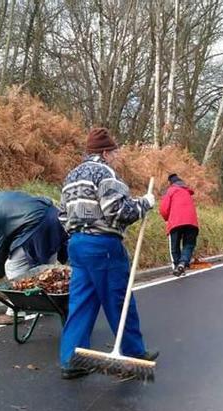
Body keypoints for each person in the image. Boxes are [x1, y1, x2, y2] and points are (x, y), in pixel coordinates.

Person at [57, 127, 159, 379]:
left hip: (77, 244)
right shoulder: (105, 173)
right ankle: (134, 354)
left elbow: (61, 214)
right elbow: (117, 210)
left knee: (81, 302)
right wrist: (145, 202)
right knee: (119, 299)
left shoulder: (72, 176)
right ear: (105, 152)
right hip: (103, 246)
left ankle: (72, 359)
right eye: (114, 152)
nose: (116, 156)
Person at [0, 190, 68, 322]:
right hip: (53, 217)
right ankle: (51, 305)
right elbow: (10, 235)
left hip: (36, 226)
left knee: (13, 268)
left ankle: (15, 312)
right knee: (45, 269)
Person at [160, 173, 200, 277]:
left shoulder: (171, 190)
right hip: (191, 223)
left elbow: (164, 209)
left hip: (176, 221)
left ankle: (177, 267)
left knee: (174, 246)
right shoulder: (187, 192)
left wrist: (166, 219)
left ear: (170, 183)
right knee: (189, 244)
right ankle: (182, 263)